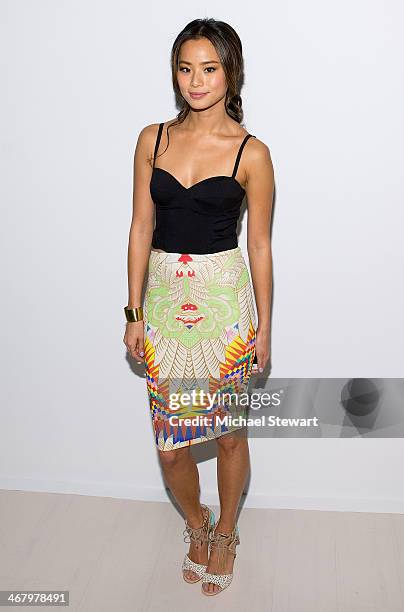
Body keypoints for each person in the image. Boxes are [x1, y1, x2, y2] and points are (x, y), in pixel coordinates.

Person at [123, 18, 274, 596]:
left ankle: (228, 529)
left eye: (209, 68)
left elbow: (258, 244)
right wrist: (133, 313)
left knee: (231, 435)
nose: (196, 81)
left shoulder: (251, 153)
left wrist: (263, 328)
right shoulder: (152, 139)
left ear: (230, 72)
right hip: (163, 305)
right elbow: (140, 227)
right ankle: (196, 522)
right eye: (186, 69)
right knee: (173, 446)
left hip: (225, 307)